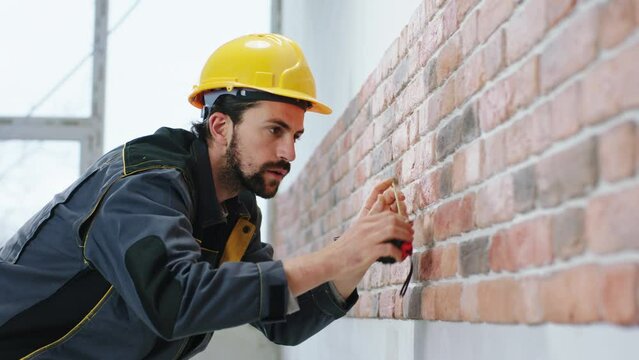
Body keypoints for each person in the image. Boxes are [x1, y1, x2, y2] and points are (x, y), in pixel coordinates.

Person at [0, 33, 413, 359]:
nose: (289, 153)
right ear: (219, 126)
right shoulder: (141, 185)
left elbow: (282, 320)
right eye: (274, 131)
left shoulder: (234, 209)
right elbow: (176, 302)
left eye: (296, 136)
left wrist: (357, 253)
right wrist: (339, 256)